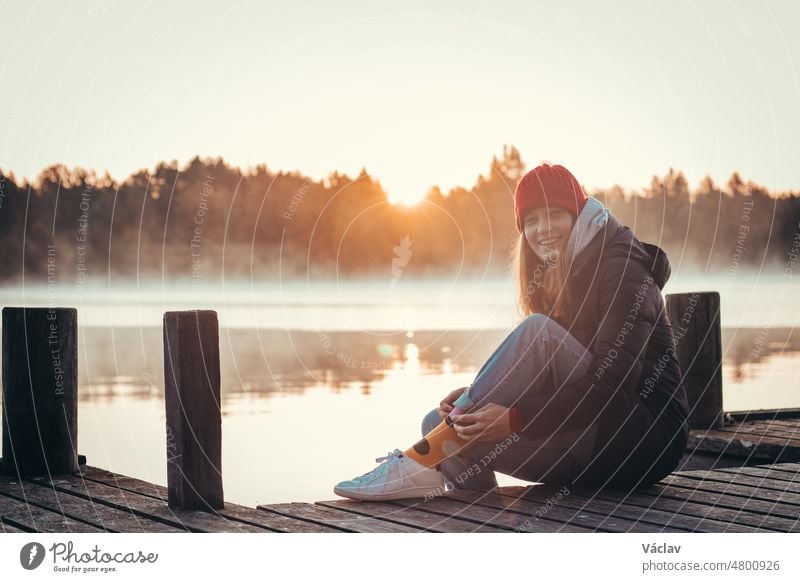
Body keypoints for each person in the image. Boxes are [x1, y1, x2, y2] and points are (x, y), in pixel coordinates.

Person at [333, 163, 689, 501]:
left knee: (537, 333)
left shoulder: (623, 269)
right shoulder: (556, 275)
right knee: (442, 425)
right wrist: (476, 400)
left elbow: (611, 383)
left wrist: (516, 420)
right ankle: (481, 525)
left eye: (555, 214)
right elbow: (558, 377)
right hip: (596, 442)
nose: (543, 228)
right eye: (531, 220)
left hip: (643, 442)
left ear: (578, 215)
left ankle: (413, 466)